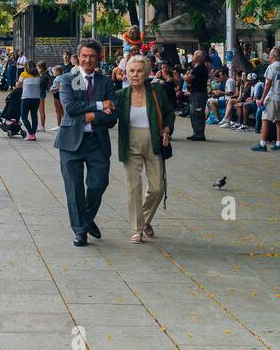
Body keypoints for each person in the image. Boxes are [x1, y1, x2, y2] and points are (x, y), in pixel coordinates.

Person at [55, 39, 118, 247]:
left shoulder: (106, 82)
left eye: (92, 56)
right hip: (70, 142)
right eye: (84, 56)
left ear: (98, 58)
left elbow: (112, 118)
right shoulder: (68, 79)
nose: (88, 60)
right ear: (78, 57)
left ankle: (87, 219)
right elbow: (71, 107)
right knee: (73, 188)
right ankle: (80, 231)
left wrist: (92, 117)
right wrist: (100, 105)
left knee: (98, 184)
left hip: (97, 143)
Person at [116, 55, 173, 245]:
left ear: (147, 73)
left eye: (139, 71)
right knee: (134, 187)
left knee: (158, 188)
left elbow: (169, 113)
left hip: (154, 142)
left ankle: (144, 220)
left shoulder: (156, 90)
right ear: (126, 73)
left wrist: (166, 130)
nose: (135, 75)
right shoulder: (121, 95)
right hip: (130, 143)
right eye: (131, 71)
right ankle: (136, 229)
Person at [251, 47, 280, 152]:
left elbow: (268, 83)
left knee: (265, 119)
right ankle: (278, 143)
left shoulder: (272, 67)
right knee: (278, 121)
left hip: (273, 97)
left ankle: (262, 143)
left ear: (273, 56)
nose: (269, 56)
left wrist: (262, 99)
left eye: (270, 54)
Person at [185, 49, 210, 140]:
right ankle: (196, 132)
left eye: (195, 55)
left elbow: (188, 79)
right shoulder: (196, 67)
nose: (193, 56)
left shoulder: (200, 67)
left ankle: (200, 133)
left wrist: (185, 77)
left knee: (198, 112)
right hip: (195, 93)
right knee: (193, 113)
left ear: (199, 57)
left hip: (199, 94)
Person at [18, 60, 43, 141]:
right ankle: (33, 134)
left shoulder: (24, 74)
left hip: (26, 98)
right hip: (36, 98)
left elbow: (18, 85)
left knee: (24, 116)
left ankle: (31, 133)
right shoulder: (38, 75)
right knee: (34, 116)